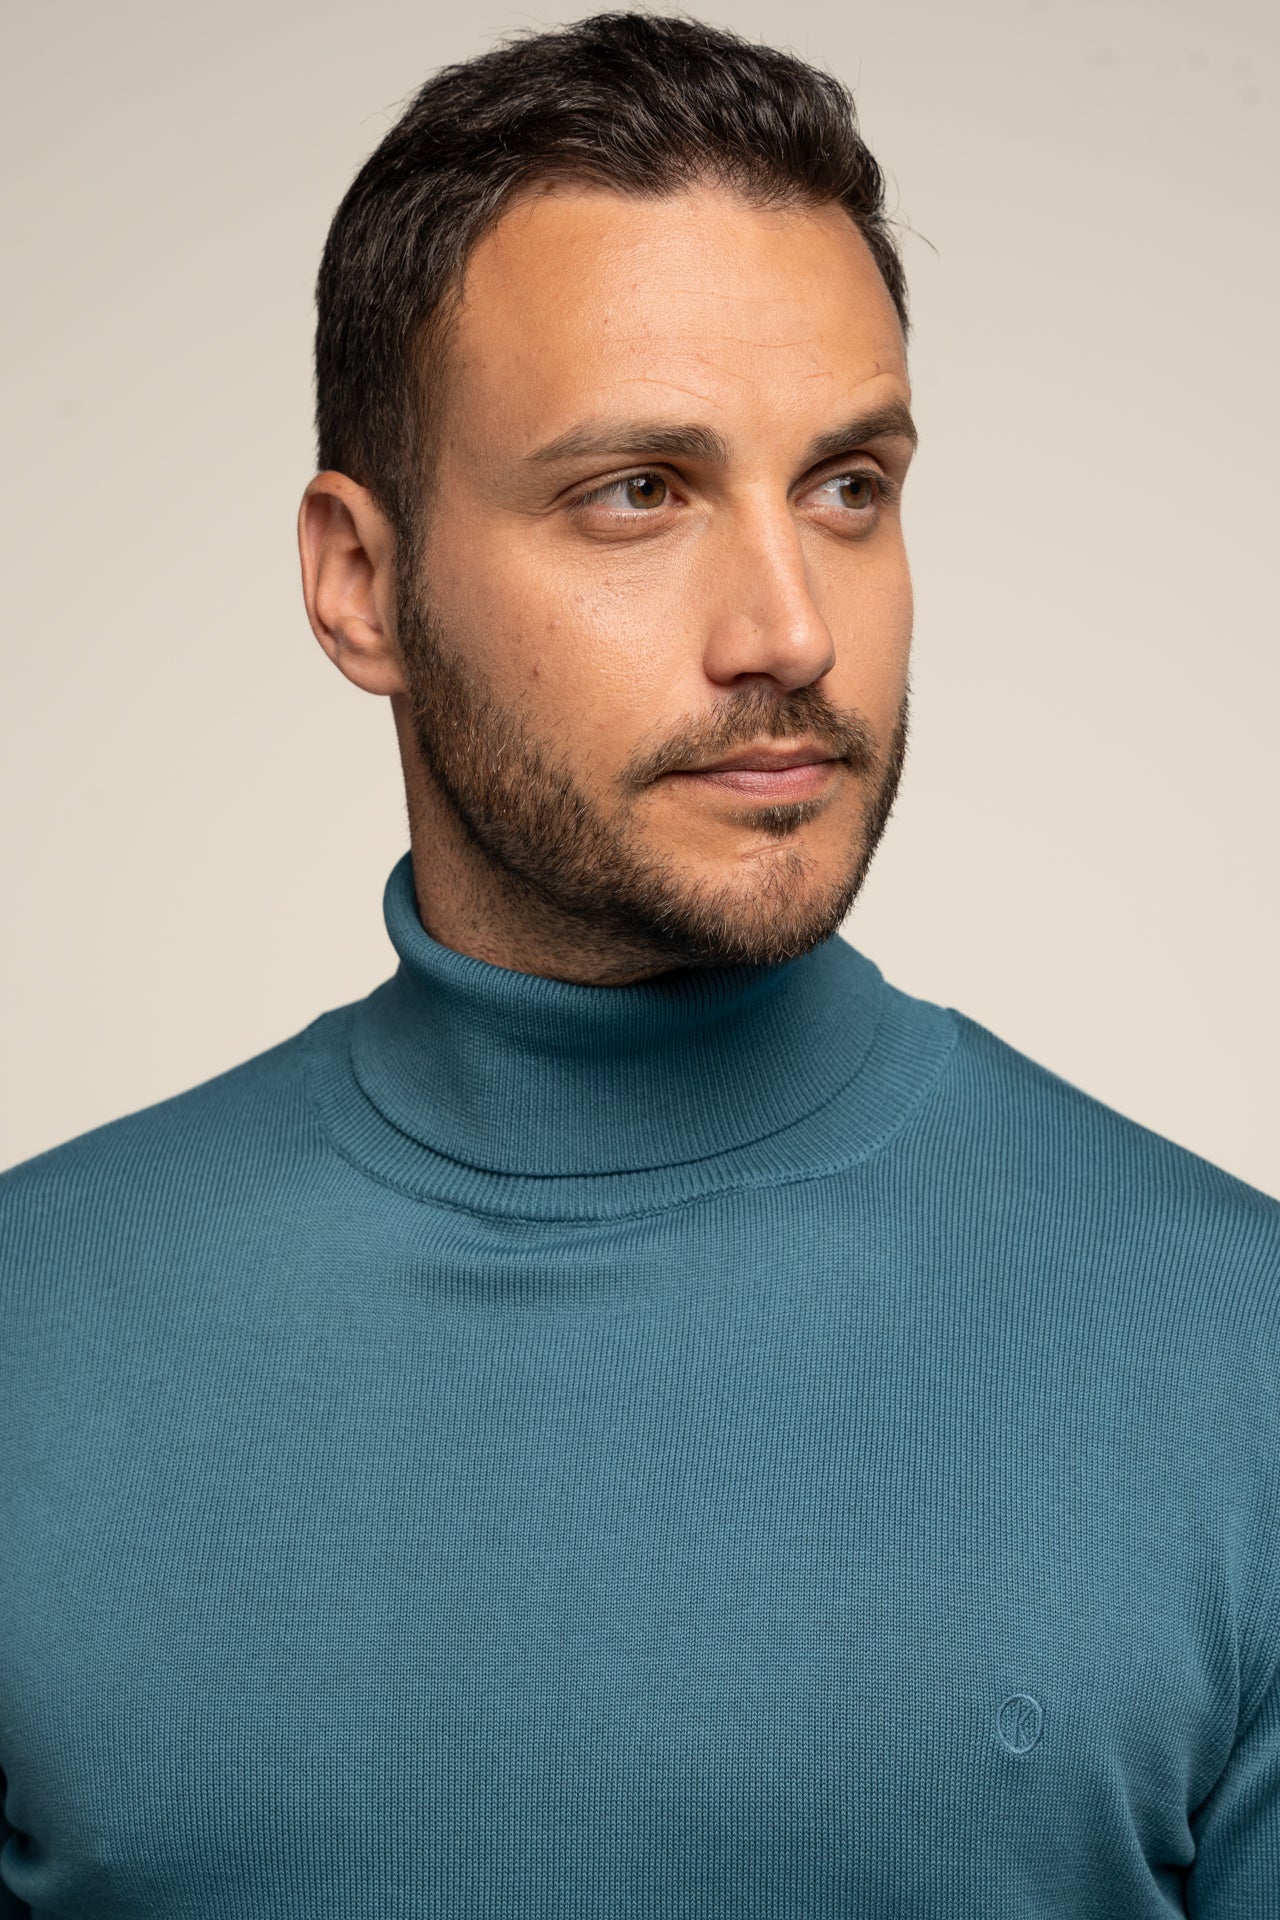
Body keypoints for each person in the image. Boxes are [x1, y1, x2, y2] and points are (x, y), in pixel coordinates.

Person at [1, 13, 1276, 1916]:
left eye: (848, 486)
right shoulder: (32, 1337)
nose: (789, 630)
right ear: (360, 583)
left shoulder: (1238, 1357)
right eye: (637, 493)